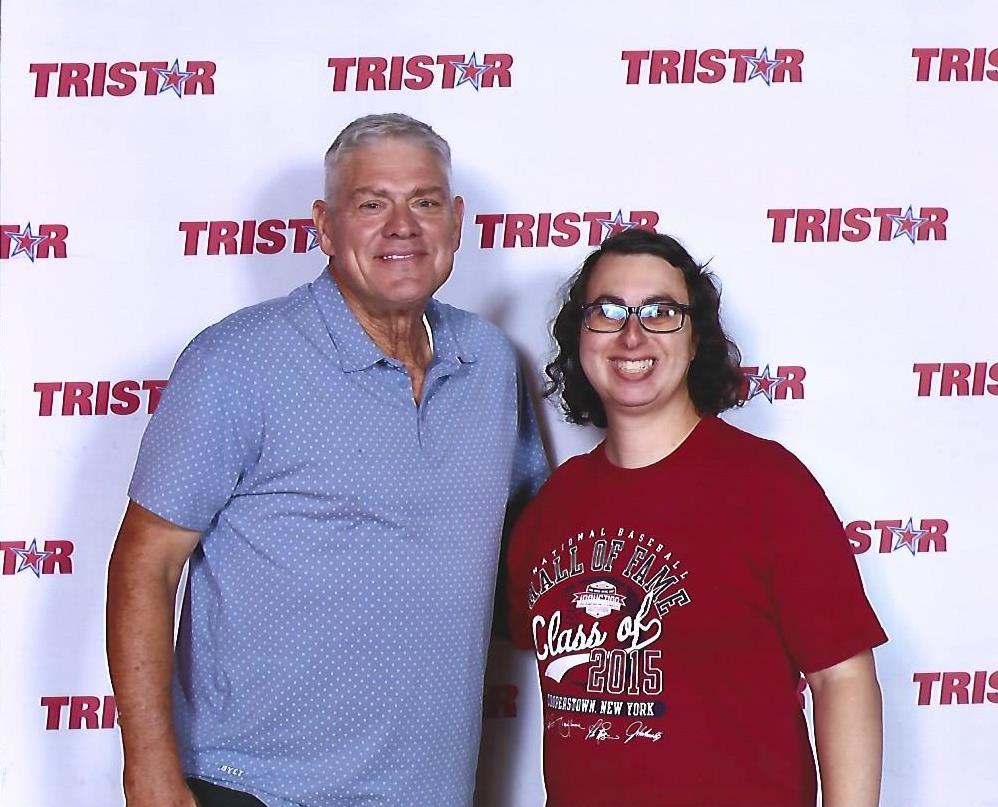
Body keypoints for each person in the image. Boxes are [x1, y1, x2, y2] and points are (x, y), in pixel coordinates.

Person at [106, 113, 548, 807]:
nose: (402, 225)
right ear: (324, 226)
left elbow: (536, 560)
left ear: (456, 223)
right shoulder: (238, 361)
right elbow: (146, 561)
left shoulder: (489, 363)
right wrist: (150, 771)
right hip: (254, 788)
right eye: (372, 203)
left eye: (425, 202)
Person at [506, 229, 886, 807]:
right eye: (607, 312)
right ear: (580, 337)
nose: (632, 334)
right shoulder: (554, 507)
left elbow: (843, 677)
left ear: (694, 338)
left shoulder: (768, 486)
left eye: (661, 312)